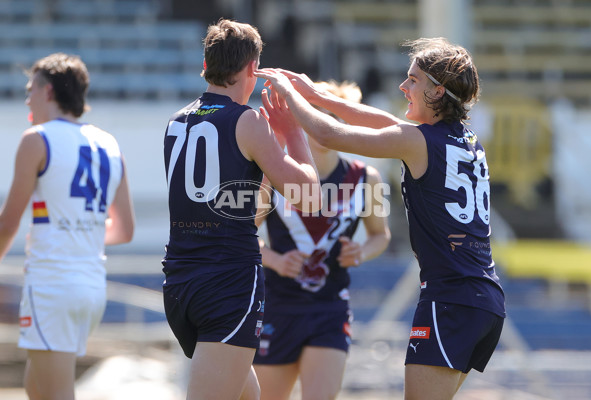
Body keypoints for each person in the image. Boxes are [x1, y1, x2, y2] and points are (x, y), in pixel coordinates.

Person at [255, 37, 506, 400]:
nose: (403, 86)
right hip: (483, 300)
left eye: (413, 80)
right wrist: (318, 97)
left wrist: (290, 100)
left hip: (449, 299)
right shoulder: (466, 140)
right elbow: (384, 123)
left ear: (437, 92)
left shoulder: (416, 142)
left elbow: (328, 132)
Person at [161, 19, 320, 400]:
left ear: (206, 65)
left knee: (248, 391)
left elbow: (230, 201)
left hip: (180, 282)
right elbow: (309, 196)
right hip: (228, 283)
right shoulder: (246, 121)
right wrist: (292, 131)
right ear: (253, 68)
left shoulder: (175, 121)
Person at [0, 53, 135, 400]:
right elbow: (124, 230)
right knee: (35, 386)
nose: (27, 98)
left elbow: (9, 222)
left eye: (31, 89)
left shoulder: (36, 139)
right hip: (90, 290)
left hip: (52, 286)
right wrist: (76, 228)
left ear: (48, 92)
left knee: (56, 393)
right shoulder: (110, 143)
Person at [252, 80, 391, 400]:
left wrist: (361, 252)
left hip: (331, 309)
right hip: (277, 307)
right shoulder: (276, 172)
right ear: (304, 119)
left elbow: (380, 236)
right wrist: (276, 260)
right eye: (319, 114)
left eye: (335, 116)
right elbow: (244, 236)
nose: (328, 123)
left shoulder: (367, 178)